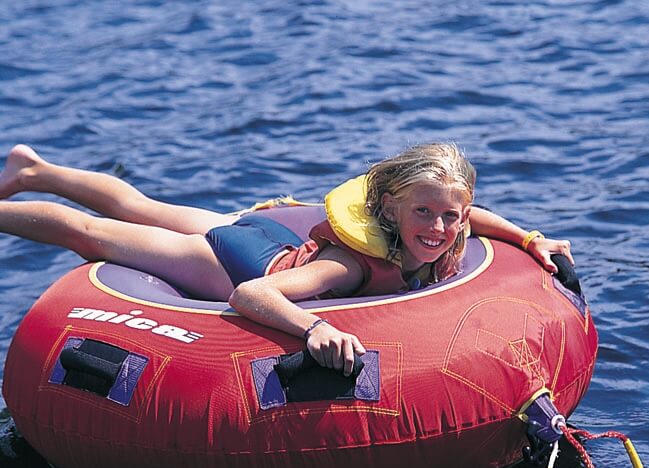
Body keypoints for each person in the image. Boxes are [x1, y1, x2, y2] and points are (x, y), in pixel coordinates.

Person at [0, 142, 573, 375]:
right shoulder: (348, 266)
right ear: (391, 209)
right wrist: (313, 326)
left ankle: (32, 168)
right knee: (95, 234)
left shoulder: (448, 224)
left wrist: (530, 239)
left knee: (141, 202)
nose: (442, 228)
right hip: (234, 261)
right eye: (425, 214)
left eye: (451, 216)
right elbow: (248, 296)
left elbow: (479, 217)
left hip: (273, 235)